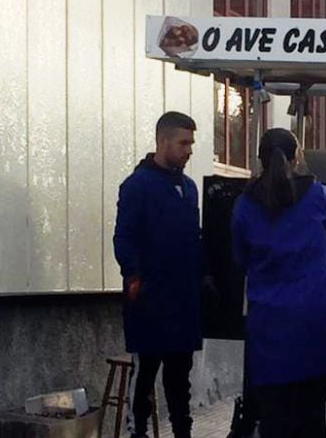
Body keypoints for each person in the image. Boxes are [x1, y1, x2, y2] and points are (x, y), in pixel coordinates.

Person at [230, 129, 326, 437]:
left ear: (260, 160)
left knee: (275, 416)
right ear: (297, 157)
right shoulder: (315, 194)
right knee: (312, 414)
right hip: (315, 317)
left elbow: (239, 258)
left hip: (269, 322)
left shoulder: (245, 204)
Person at [113, 111, 203, 438]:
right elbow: (123, 237)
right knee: (145, 375)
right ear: (162, 142)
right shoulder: (137, 186)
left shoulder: (189, 188)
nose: (190, 150)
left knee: (180, 380)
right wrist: (135, 278)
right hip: (150, 301)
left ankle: (183, 433)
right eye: (183, 143)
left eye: (191, 142)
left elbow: (192, 237)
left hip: (183, 301)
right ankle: (138, 433)